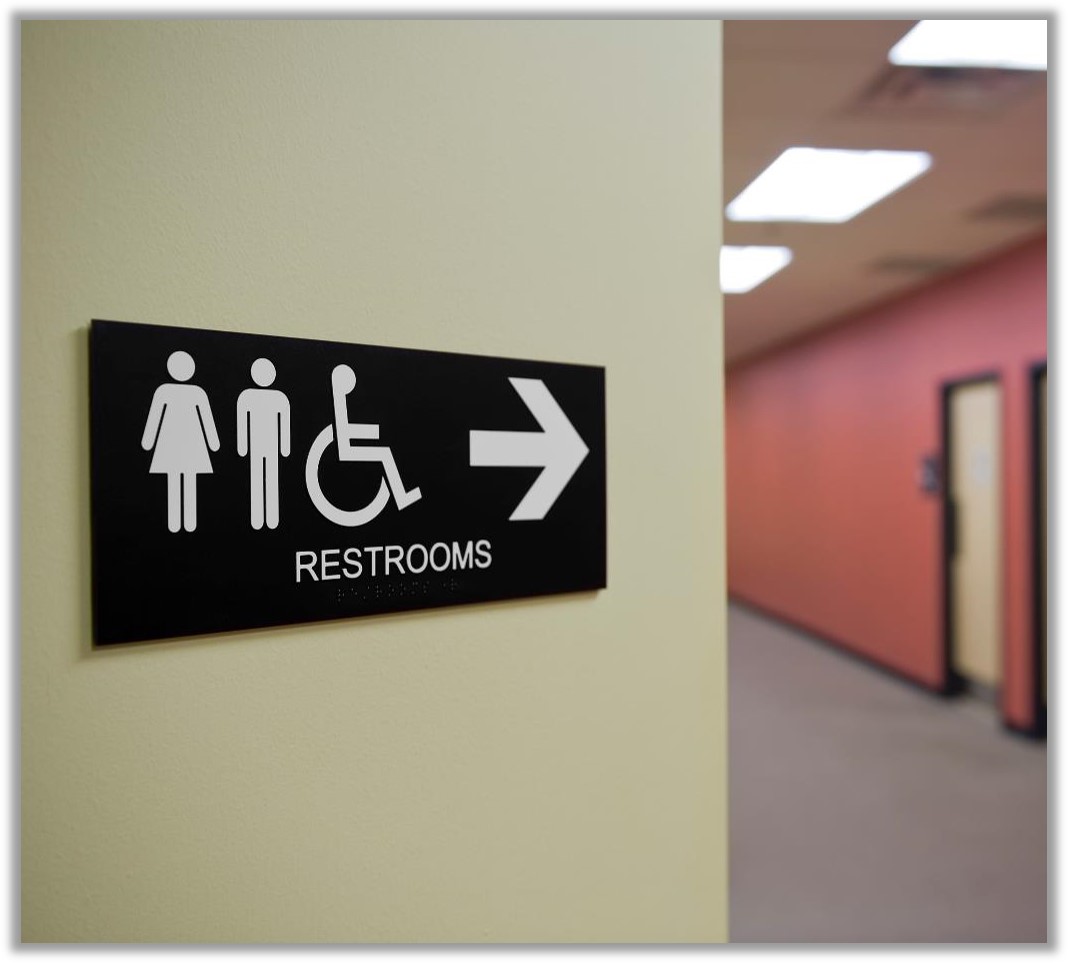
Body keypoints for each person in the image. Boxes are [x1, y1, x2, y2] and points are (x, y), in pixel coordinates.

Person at [141, 350, 220, 533]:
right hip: (177, 444)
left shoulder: (193, 392)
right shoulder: (167, 391)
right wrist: (148, 441)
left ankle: (187, 521)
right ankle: (178, 521)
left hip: (187, 444)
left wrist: (149, 442)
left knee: (185, 480)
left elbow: (206, 419)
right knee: (177, 481)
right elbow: (155, 417)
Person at [237, 358, 291, 530]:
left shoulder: (280, 398)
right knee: (258, 478)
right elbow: (242, 423)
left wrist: (285, 447)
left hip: (270, 445)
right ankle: (258, 518)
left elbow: (284, 424)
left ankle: (272, 517)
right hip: (257, 445)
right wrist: (242, 446)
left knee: (271, 479)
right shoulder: (246, 396)